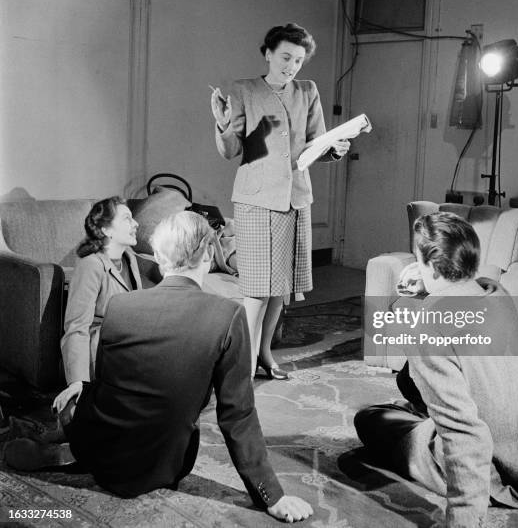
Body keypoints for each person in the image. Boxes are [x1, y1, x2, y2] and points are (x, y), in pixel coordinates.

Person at [6, 212, 313, 522]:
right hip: (161, 468)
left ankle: (75, 448)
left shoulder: (120, 306)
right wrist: (271, 494)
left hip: (106, 456)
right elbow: (237, 415)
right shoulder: (229, 315)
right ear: (207, 252)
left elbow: (109, 391)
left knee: (86, 393)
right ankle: (73, 449)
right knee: (171, 423)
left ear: (158, 257)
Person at [354, 212, 518, 527]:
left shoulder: (428, 328)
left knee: (371, 419)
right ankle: (427, 415)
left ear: (431, 265)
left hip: (506, 476)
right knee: (418, 388)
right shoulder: (495, 291)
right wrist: (428, 286)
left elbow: (465, 435)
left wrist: (463, 520)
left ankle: (425, 430)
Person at [211, 22, 350, 379]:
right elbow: (231, 151)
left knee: (280, 289)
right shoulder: (245, 90)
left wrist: (335, 148)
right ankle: (241, 363)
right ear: (269, 54)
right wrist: (223, 124)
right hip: (256, 200)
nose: (291, 66)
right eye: (286, 57)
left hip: (295, 199)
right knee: (258, 289)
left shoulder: (308, 91)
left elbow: (317, 142)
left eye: (299, 60)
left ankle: (264, 354)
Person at [55, 196, 142, 411]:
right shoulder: (90, 264)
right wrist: (78, 381)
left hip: (126, 344)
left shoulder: (130, 258)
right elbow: (76, 325)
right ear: (106, 230)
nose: (136, 224)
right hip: (97, 352)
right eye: (127, 219)